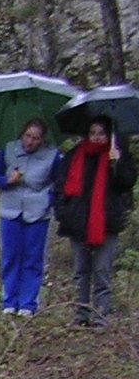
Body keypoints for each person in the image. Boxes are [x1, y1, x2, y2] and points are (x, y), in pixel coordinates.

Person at [52, 113, 137, 329]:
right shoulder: (74, 156)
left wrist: (115, 163)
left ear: (109, 134)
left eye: (101, 133)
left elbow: (126, 184)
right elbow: (61, 187)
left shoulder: (119, 156)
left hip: (106, 223)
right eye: (93, 133)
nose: (97, 137)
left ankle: (101, 317)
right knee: (81, 272)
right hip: (77, 222)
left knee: (102, 271)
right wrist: (63, 212)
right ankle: (80, 315)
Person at [0, 117, 58, 315]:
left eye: (36, 138)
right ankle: (9, 300)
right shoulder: (9, 149)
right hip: (10, 211)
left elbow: (58, 183)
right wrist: (7, 180)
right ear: (22, 134)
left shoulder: (52, 155)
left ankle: (28, 303)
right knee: (11, 256)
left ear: (43, 140)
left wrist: (49, 203)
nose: (30, 142)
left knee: (32, 258)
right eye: (27, 136)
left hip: (37, 213)